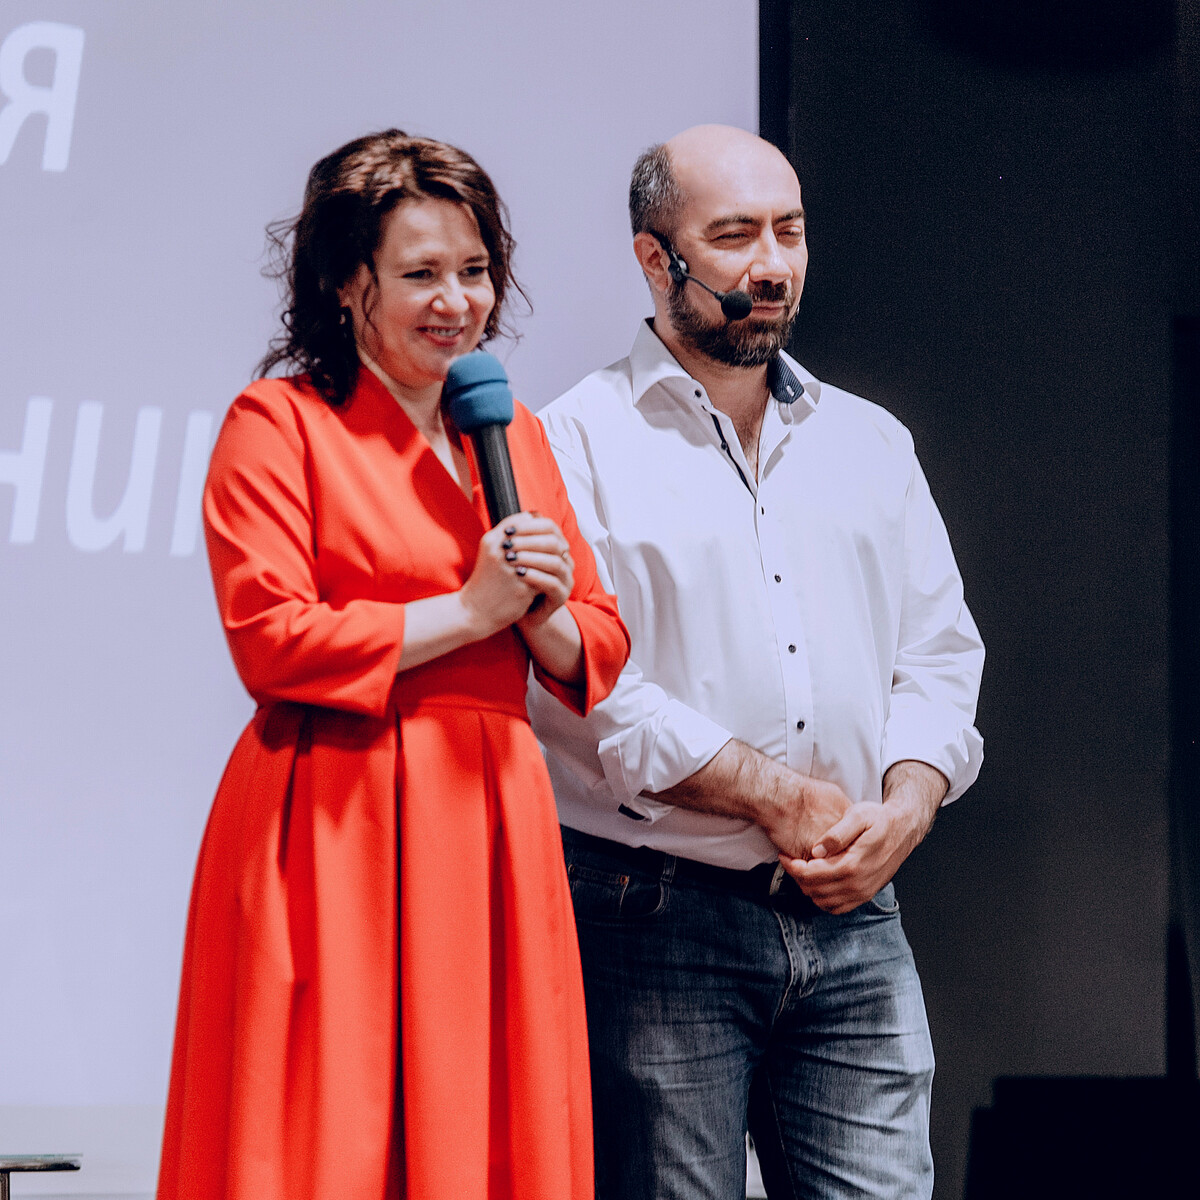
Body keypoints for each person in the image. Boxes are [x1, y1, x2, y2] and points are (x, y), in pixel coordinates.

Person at [157, 130, 629, 1200]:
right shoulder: (279, 423)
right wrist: (470, 611)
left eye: (476, 270)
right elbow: (272, 638)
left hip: (491, 811)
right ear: (344, 283)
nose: (457, 302)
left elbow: (595, 637)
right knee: (326, 1128)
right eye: (421, 275)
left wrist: (540, 616)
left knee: (484, 1123)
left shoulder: (510, 433)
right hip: (335, 811)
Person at [527, 124, 985, 1200]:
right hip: (657, 916)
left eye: (790, 231)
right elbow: (590, 694)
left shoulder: (870, 440)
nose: (772, 264)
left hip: (856, 914)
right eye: (735, 236)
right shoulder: (571, 443)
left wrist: (907, 808)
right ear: (656, 259)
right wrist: (777, 797)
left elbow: (939, 656)